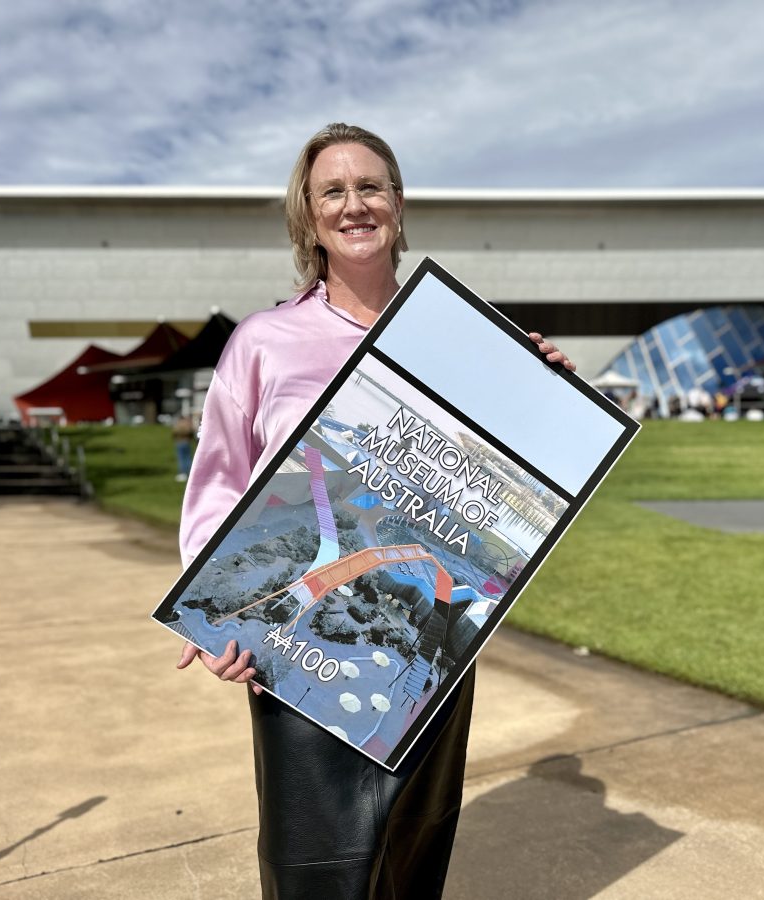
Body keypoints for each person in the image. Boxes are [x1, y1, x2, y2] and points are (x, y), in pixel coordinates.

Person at [174, 123, 574, 899]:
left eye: (371, 187)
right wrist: (215, 614)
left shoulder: (460, 339)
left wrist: (544, 384)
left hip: (430, 641)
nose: (354, 205)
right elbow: (218, 479)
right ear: (308, 214)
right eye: (333, 190)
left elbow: (509, 467)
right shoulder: (265, 340)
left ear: (397, 202)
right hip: (299, 649)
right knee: (313, 865)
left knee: (411, 854)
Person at [171, 414, 195, 481]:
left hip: (179, 442)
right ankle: (189, 473)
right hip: (187, 442)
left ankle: (182, 473)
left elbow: (174, 433)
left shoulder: (177, 424)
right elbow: (191, 432)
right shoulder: (188, 424)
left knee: (181, 459)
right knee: (188, 458)